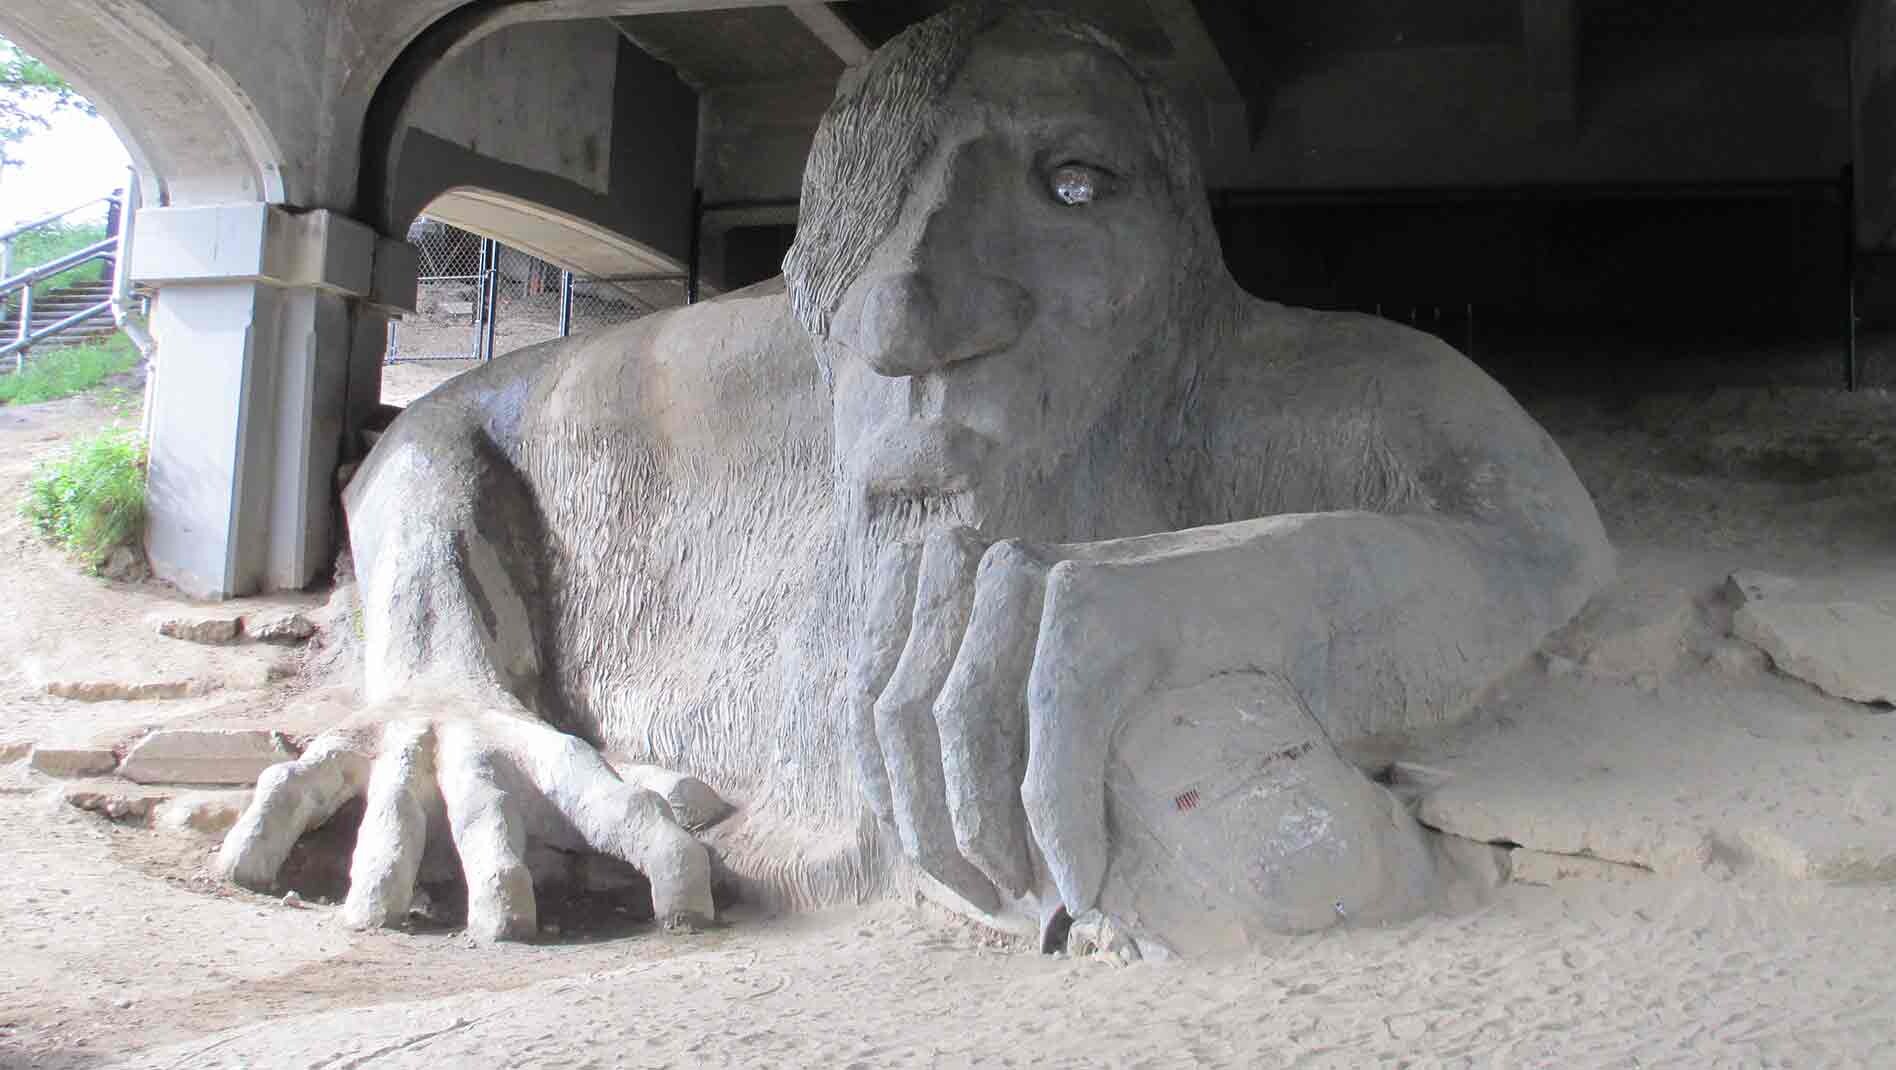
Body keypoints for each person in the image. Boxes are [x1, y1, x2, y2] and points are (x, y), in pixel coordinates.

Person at [218, 4, 1612, 955]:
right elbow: (434, 439)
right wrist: (437, 670)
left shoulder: (1280, 383)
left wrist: (1233, 593)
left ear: (1183, 269)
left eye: (1070, 182)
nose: (905, 319)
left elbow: (1545, 536)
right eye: (874, 204)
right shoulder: (777, 356)